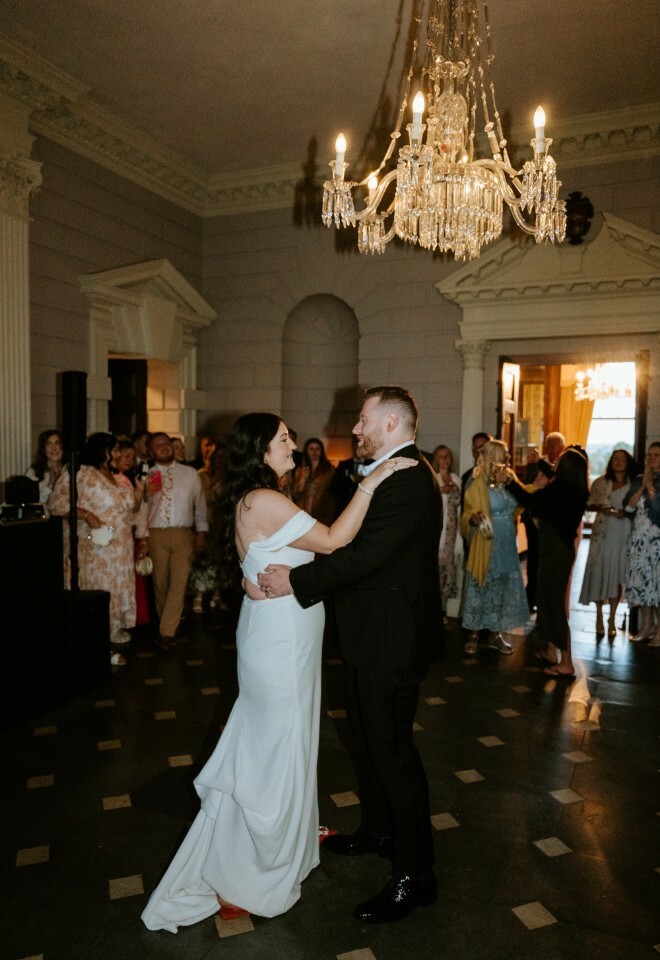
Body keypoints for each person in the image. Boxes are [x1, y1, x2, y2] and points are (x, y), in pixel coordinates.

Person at [140, 413, 413, 931]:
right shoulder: (265, 499)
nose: (292, 444)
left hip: (277, 632)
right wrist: (373, 480)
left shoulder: (252, 498)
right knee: (276, 747)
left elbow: (258, 570)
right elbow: (332, 542)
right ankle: (251, 867)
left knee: (280, 741)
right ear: (260, 450)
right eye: (283, 439)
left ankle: (289, 829)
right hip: (281, 641)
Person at [260, 386, 443, 924]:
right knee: (368, 738)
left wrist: (295, 581)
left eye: (362, 421)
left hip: (393, 639)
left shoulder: (407, 478)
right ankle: (381, 831)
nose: (355, 429)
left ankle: (416, 874)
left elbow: (364, 557)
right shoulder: (389, 471)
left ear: (390, 423)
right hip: (376, 634)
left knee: (392, 751)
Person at [48, 432, 146, 663]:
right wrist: (86, 514)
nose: (117, 455)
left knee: (117, 590)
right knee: (101, 591)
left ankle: (110, 634)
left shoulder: (120, 478)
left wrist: (140, 494)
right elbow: (56, 504)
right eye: (113, 450)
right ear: (99, 450)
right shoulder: (80, 474)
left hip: (120, 548)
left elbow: (131, 512)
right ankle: (99, 647)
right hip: (96, 549)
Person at [500, 448, 589, 677]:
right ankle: (551, 651)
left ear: (566, 468)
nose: (555, 464)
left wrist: (510, 482)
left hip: (556, 552)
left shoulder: (560, 492)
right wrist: (539, 462)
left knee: (554, 605)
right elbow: (550, 477)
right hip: (558, 551)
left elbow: (532, 501)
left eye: (559, 462)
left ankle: (566, 662)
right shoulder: (575, 489)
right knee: (546, 599)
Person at [136, 433, 208, 650]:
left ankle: (167, 632)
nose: (164, 447)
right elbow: (141, 509)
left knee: (179, 581)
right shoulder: (145, 474)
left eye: (166, 444)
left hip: (183, 534)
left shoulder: (190, 473)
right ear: (150, 452)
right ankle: (166, 626)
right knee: (160, 584)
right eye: (158, 445)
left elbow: (200, 504)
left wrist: (201, 532)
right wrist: (143, 539)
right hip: (156, 535)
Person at [460, 440, 528, 655]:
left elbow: (522, 501)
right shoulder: (477, 481)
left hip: (507, 540)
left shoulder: (509, 478)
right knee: (481, 587)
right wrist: (473, 519)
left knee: (500, 586)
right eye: (503, 454)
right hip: (487, 540)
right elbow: (466, 514)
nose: (507, 458)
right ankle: (473, 634)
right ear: (492, 456)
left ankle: (496, 634)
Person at [578, 449, 636, 636]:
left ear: (628, 463)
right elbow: (587, 504)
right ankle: (598, 616)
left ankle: (612, 617)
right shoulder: (601, 483)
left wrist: (624, 513)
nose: (618, 462)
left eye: (622, 459)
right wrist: (604, 508)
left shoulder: (633, 484)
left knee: (616, 576)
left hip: (623, 533)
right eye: (615, 459)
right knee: (599, 573)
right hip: (603, 532)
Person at [624, 442, 660, 646]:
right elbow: (628, 508)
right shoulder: (639, 480)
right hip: (639, 541)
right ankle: (646, 626)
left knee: (657, 585)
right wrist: (644, 485)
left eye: (657, 455)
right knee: (642, 584)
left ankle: (659, 630)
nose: (652, 459)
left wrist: (652, 487)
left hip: (657, 542)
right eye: (649, 455)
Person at [431, 445, 461, 617]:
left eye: (448, 456)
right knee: (434, 573)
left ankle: (442, 609)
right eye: (441, 456)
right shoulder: (433, 478)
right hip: (438, 532)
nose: (445, 459)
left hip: (452, 533)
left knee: (448, 574)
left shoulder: (456, 479)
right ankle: (433, 611)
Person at [291, 436, 336, 524]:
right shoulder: (300, 470)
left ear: (321, 451)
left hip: (322, 511)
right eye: (311, 449)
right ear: (306, 451)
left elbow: (330, 490)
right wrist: (303, 478)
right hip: (303, 511)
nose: (314, 452)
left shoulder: (328, 469)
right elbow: (296, 494)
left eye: (317, 449)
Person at [26, 429, 68, 510]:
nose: (54, 448)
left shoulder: (70, 470)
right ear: (43, 449)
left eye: (57, 443)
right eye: (49, 444)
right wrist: (51, 484)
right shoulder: (33, 473)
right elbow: (35, 504)